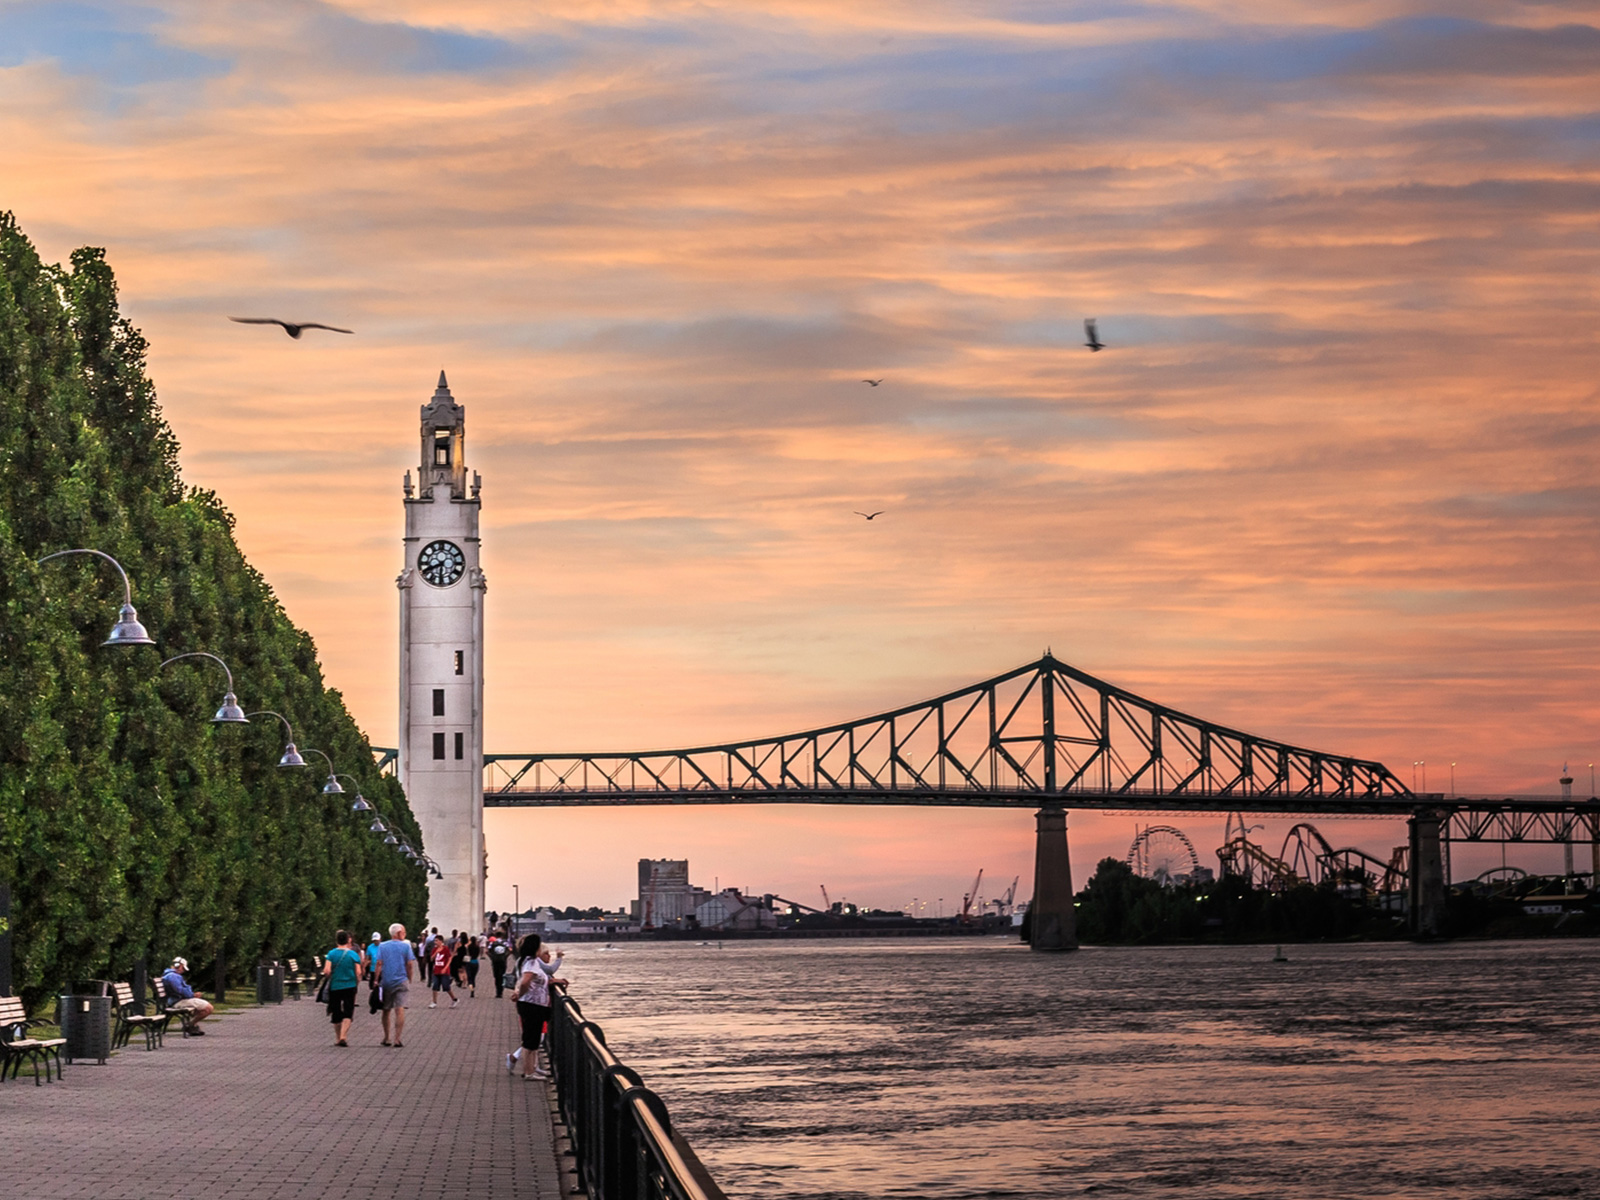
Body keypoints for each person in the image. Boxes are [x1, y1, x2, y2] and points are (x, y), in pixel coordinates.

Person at [505, 934, 564, 1081]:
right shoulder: (531, 963)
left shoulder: (528, 961)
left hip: (534, 1005)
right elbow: (525, 982)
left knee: (533, 1040)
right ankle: (529, 1072)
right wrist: (521, 994)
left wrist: (551, 982)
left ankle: (531, 1070)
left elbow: (538, 980)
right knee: (530, 1041)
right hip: (532, 1005)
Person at [373, 923, 416, 1047]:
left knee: (386, 1010)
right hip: (401, 980)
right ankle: (397, 1038)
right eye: (403, 932)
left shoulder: (382, 946)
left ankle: (386, 1038)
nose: (405, 934)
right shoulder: (406, 947)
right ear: (398, 933)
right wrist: (410, 978)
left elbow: (379, 963)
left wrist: (376, 979)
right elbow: (410, 964)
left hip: (387, 981)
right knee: (400, 1008)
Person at [321, 930, 364, 1046]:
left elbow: (327, 970)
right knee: (348, 1010)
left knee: (336, 1010)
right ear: (348, 940)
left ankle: (337, 1037)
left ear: (336, 940)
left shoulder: (331, 954)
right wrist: (357, 981)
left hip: (335, 986)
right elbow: (358, 972)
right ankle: (344, 1036)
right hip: (350, 986)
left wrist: (331, 977)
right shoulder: (353, 954)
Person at [162, 957, 215, 1034]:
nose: (183, 971)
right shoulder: (173, 977)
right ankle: (190, 1025)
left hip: (176, 1000)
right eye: (183, 968)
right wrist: (192, 995)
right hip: (178, 1001)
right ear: (179, 965)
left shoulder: (171, 975)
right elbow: (180, 991)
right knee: (208, 1008)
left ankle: (192, 1025)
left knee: (200, 1007)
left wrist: (192, 994)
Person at [427, 933, 458, 1008]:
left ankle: (454, 999)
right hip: (436, 970)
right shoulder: (434, 949)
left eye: (437, 941)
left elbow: (449, 959)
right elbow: (431, 959)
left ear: (441, 941)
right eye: (435, 941)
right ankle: (434, 1002)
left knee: (446, 986)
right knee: (435, 986)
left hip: (444, 971)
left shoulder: (446, 949)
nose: (435, 942)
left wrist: (445, 968)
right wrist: (436, 953)